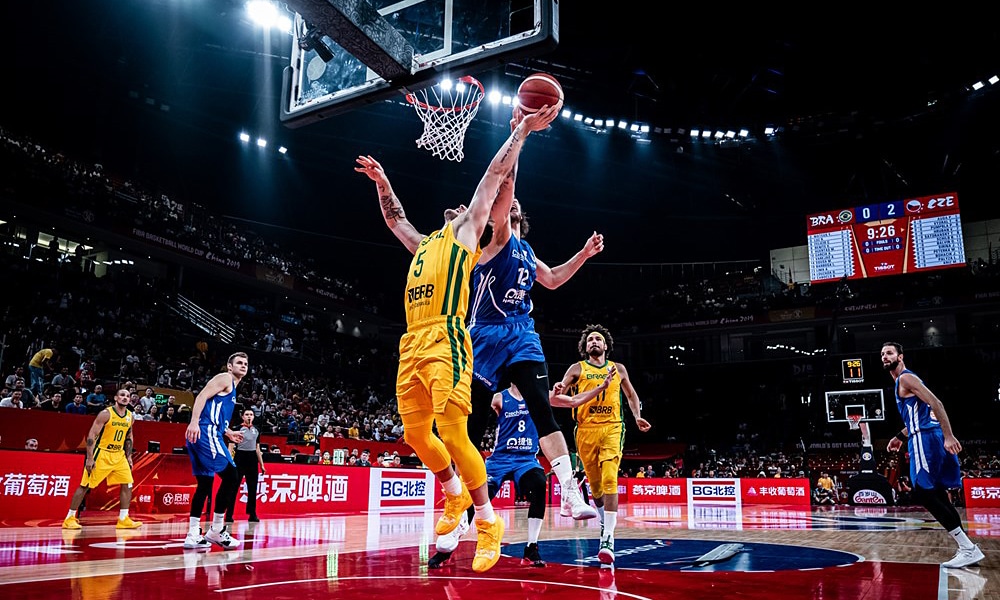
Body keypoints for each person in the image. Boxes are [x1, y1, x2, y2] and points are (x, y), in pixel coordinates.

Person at [354, 101, 559, 574]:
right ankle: (452, 495)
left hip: (448, 336)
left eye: (468, 206)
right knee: (414, 433)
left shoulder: (467, 232)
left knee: (451, 428)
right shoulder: (425, 242)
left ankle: (487, 522)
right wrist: (383, 182)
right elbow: (394, 219)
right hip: (412, 342)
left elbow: (492, 176)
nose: (460, 205)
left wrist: (523, 132)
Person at [465, 108, 604, 522]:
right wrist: (519, 136)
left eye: (512, 206)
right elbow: (506, 182)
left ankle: (569, 493)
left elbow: (555, 280)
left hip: (521, 331)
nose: (509, 205)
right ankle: (462, 503)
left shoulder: (527, 252)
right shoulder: (499, 238)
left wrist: (583, 253)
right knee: (471, 428)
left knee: (543, 409)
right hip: (486, 335)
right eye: (505, 206)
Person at [430, 372, 617, 569]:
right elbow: (473, 409)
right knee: (476, 494)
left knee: (538, 484)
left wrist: (601, 388)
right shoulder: (499, 397)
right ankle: (447, 549)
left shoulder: (538, 396)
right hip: (500, 459)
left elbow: (572, 401)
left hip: (526, 460)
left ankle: (531, 547)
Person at [881, 341, 983, 568]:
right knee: (935, 491)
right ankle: (967, 547)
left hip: (926, 439)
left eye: (889, 353)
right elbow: (922, 417)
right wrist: (900, 436)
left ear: (901, 356)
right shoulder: (904, 381)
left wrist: (949, 436)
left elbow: (936, 403)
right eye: (882, 354)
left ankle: (967, 548)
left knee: (924, 493)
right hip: (927, 435)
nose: (885, 357)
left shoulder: (906, 378)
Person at [557, 324, 651, 565]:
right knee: (596, 488)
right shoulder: (577, 368)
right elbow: (561, 393)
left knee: (610, 478)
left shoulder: (617, 368)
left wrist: (637, 415)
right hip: (585, 430)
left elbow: (630, 395)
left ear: (606, 345)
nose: (594, 342)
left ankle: (608, 537)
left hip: (612, 426)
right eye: (590, 340)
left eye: (598, 339)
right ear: (585, 347)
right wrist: (559, 388)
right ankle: (603, 521)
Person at [182, 352, 248, 551]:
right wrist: (193, 422)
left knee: (205, 483)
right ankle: (217, 530)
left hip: (209, 432)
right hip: (205, 431)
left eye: (246, 363)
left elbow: (214, 412)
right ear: (229, 366)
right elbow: (202, 396)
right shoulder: (225, 378)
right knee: (231, 476)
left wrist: (228, 432)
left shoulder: (233, 387)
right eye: (239, 362)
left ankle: (193, 534)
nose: (243, 366)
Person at [62, 388, 142, 530]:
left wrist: (128, 456)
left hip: (119, 455)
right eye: (122, 395)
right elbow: (92, 435)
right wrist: (90, 458)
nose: (125, 398)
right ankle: (69, 518)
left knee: (128, 483)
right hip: (102, 454)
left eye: (128, 396)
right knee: (85, 485)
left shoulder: (130, 416)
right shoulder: (106, 414)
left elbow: (129, 436)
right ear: (116, 398)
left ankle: (123, 519)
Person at [225, 408, 266, 523]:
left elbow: (257, 448)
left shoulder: (256, 430)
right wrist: (230, 461)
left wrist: (262, 464)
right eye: (247, 414)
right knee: (234, 488)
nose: (249, 416)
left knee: (253, 489)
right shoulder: (237, 429)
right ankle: (229, 514)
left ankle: (252, 514)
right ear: (242, 416)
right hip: (239, 458)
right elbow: (231, 447)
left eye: (251, 414)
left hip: (252, 459)